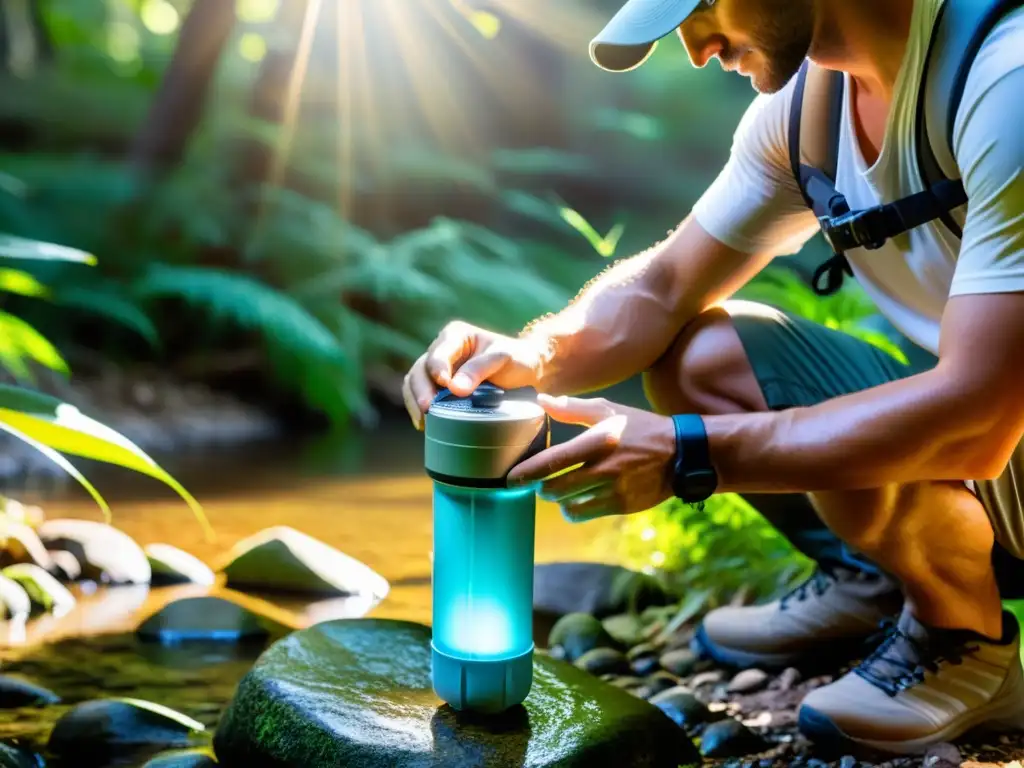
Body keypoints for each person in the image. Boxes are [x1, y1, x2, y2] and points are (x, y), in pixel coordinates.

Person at [402, 0, 1024, 754]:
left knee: (746, 399)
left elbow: (980, 417)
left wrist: (689, 453)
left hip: (997, 423)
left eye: (701, 6)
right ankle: (878, 579)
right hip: (992, 419)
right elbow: (663, 290)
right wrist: (537, 354)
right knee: (705, 357)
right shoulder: (804, 112)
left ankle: (964, 643)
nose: (697, 47)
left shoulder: (1007, 82)